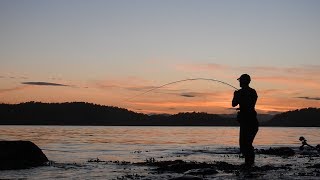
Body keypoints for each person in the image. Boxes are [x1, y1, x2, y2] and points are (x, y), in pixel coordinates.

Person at [232, 74, 259, 166]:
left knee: (245, 145)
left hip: (247, 122)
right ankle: (250, 164)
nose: (239, 82)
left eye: (240, 81)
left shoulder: (239, 93)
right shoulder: (253, 92)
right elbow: (251, 104)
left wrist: (236, 95)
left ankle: (249, 164)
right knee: (247, 144)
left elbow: (233, 104)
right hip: (252, 122)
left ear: (243, 81)